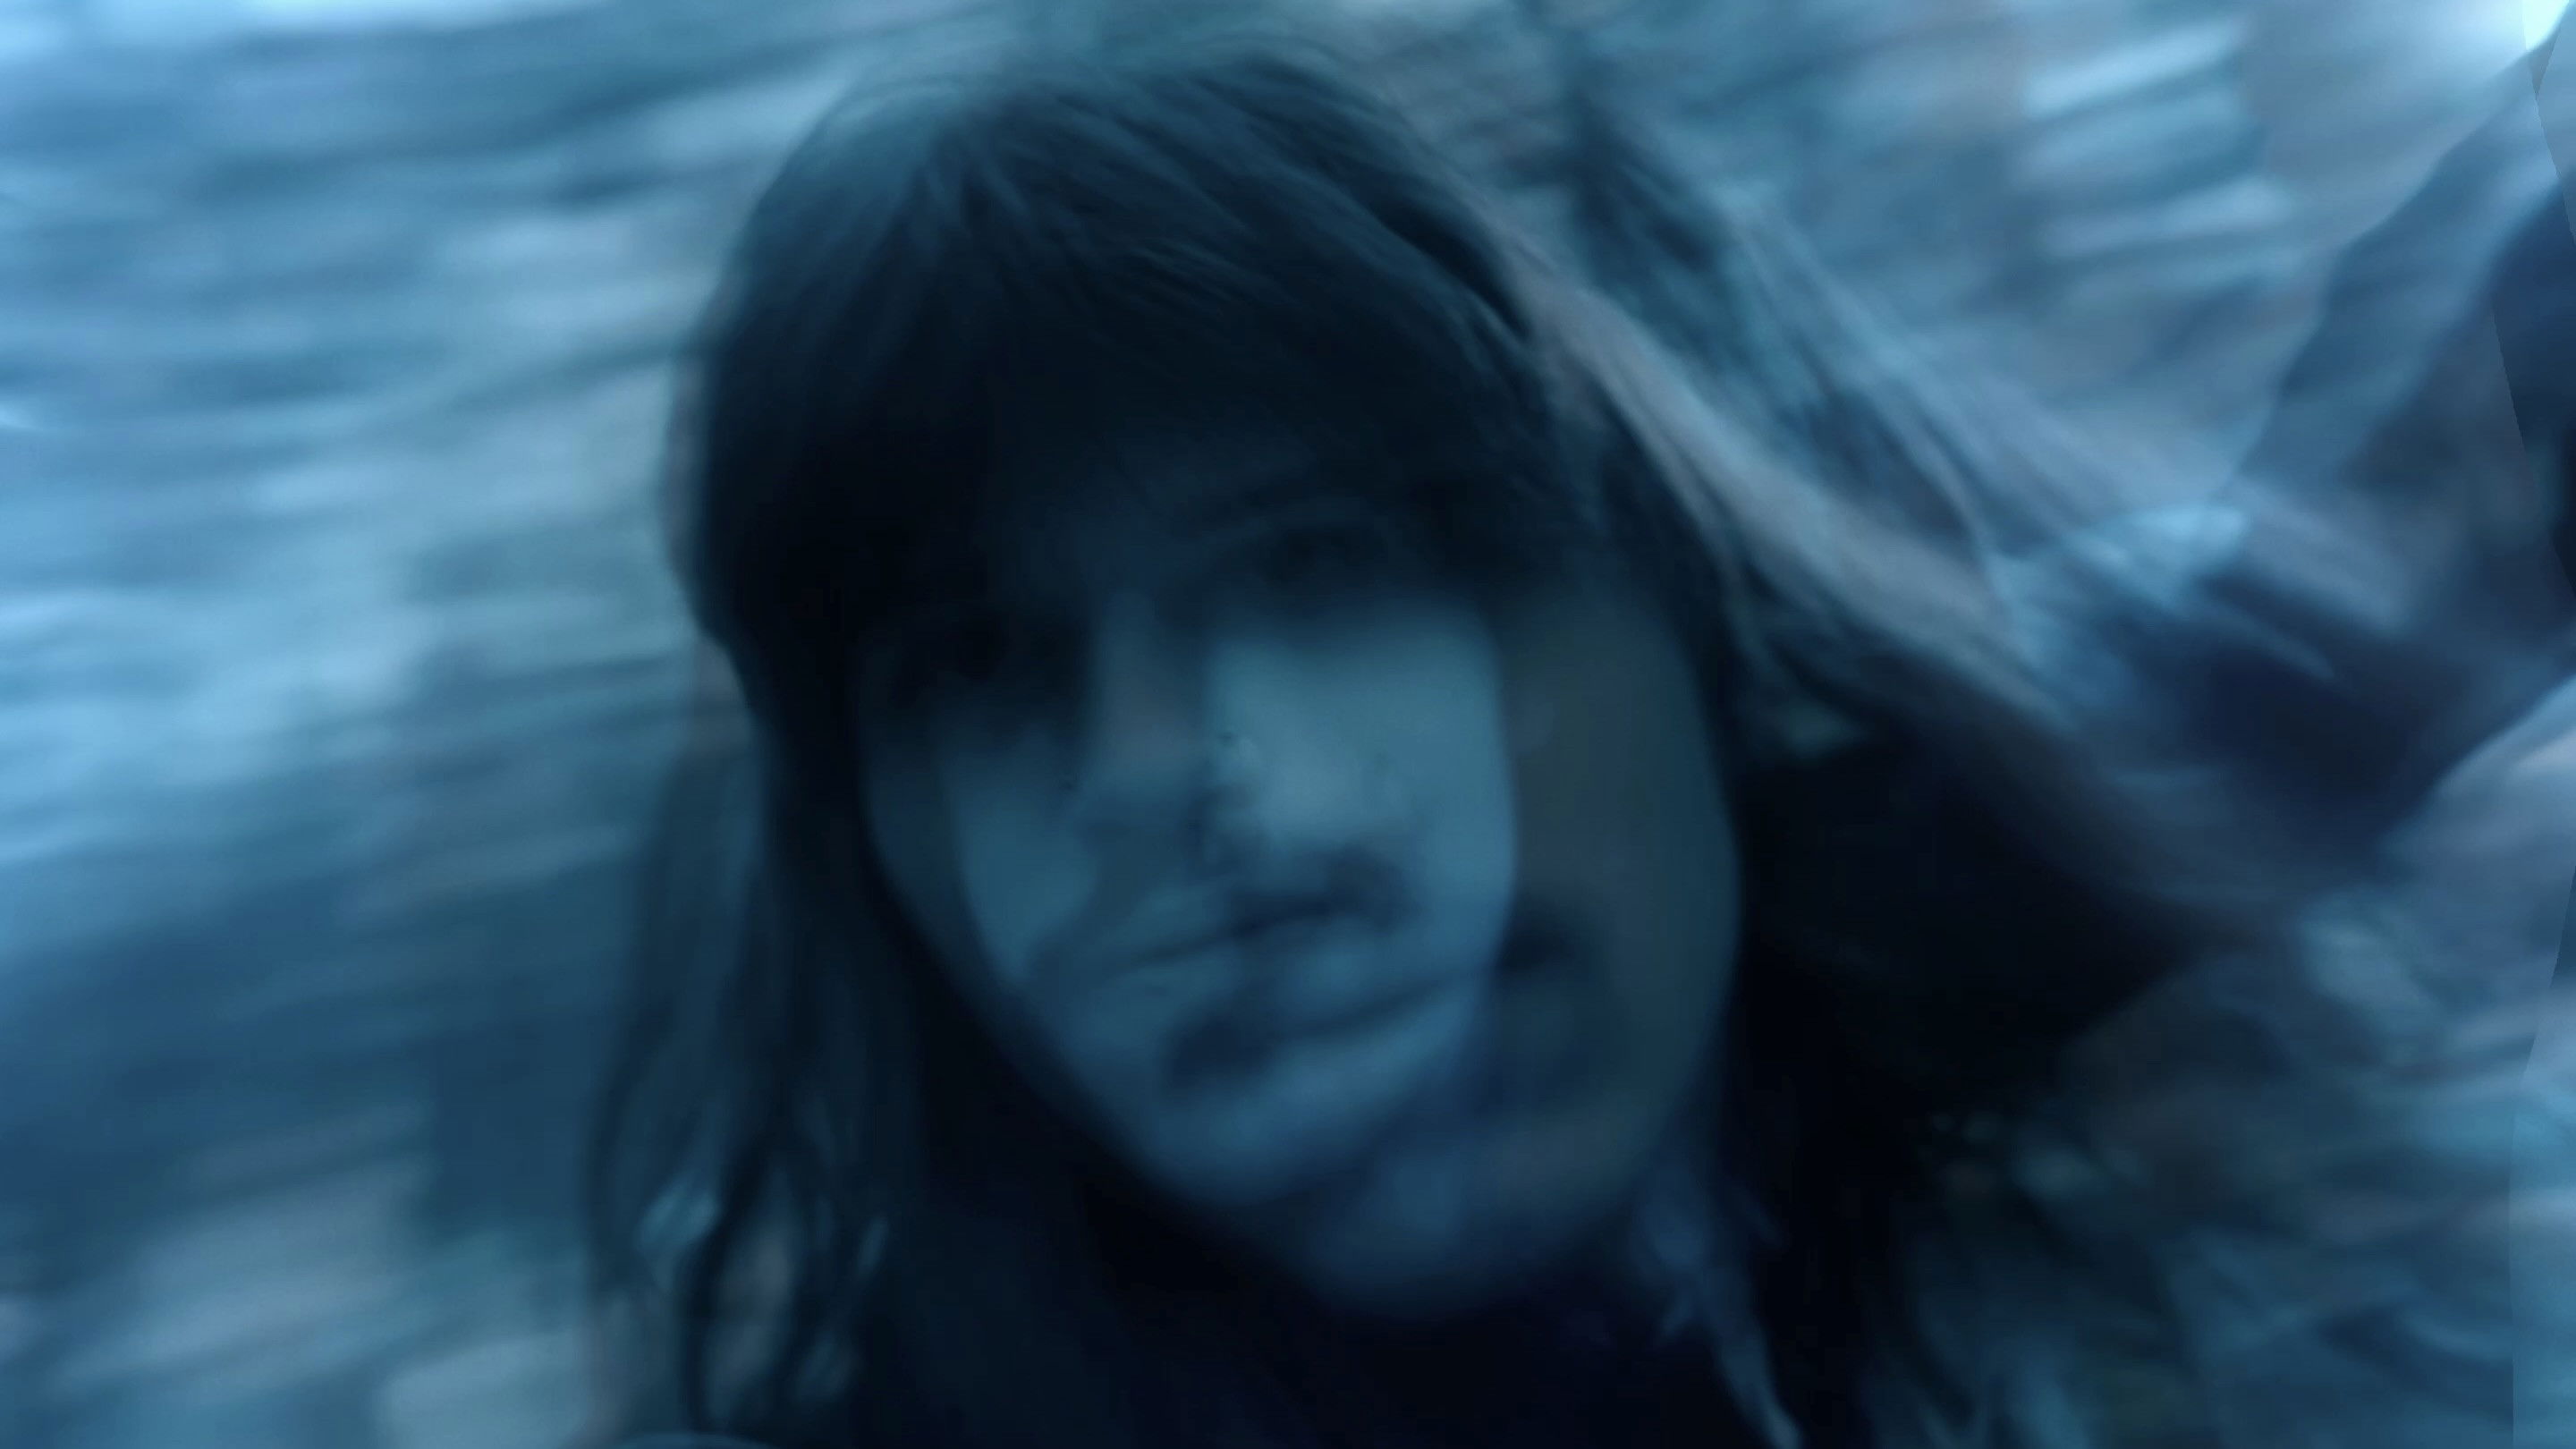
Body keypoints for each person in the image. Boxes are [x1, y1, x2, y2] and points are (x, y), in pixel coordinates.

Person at [578, 33, 2462, 1449]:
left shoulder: (2086, 1067)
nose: (1152, 770)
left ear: (1690, 601)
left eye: (1320, 566)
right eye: (982, 667)